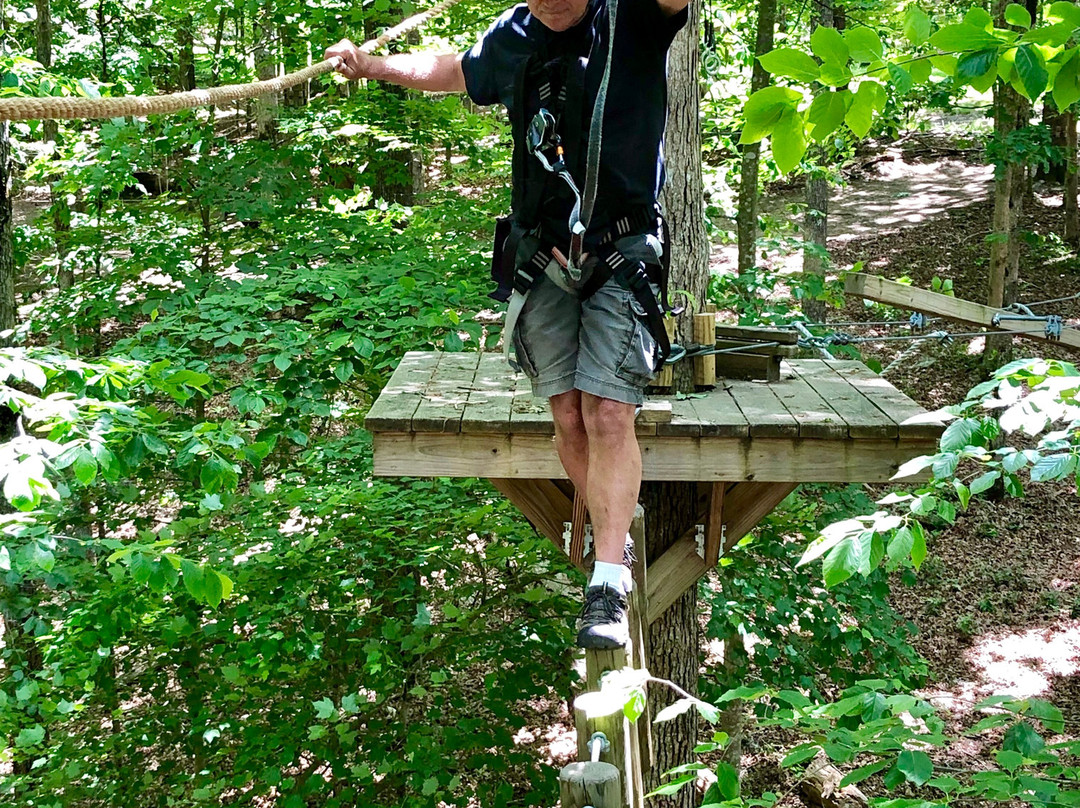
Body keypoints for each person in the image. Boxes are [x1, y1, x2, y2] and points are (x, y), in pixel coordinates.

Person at [326, 0, 689, 650]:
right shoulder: (515, 33)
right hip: (544, 252)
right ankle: (616, 528)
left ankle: (608, 575)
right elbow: (454, 71)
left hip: (623, 247)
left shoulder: (632, 17)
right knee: (570, 417)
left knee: (609, 411)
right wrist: (374, 64)